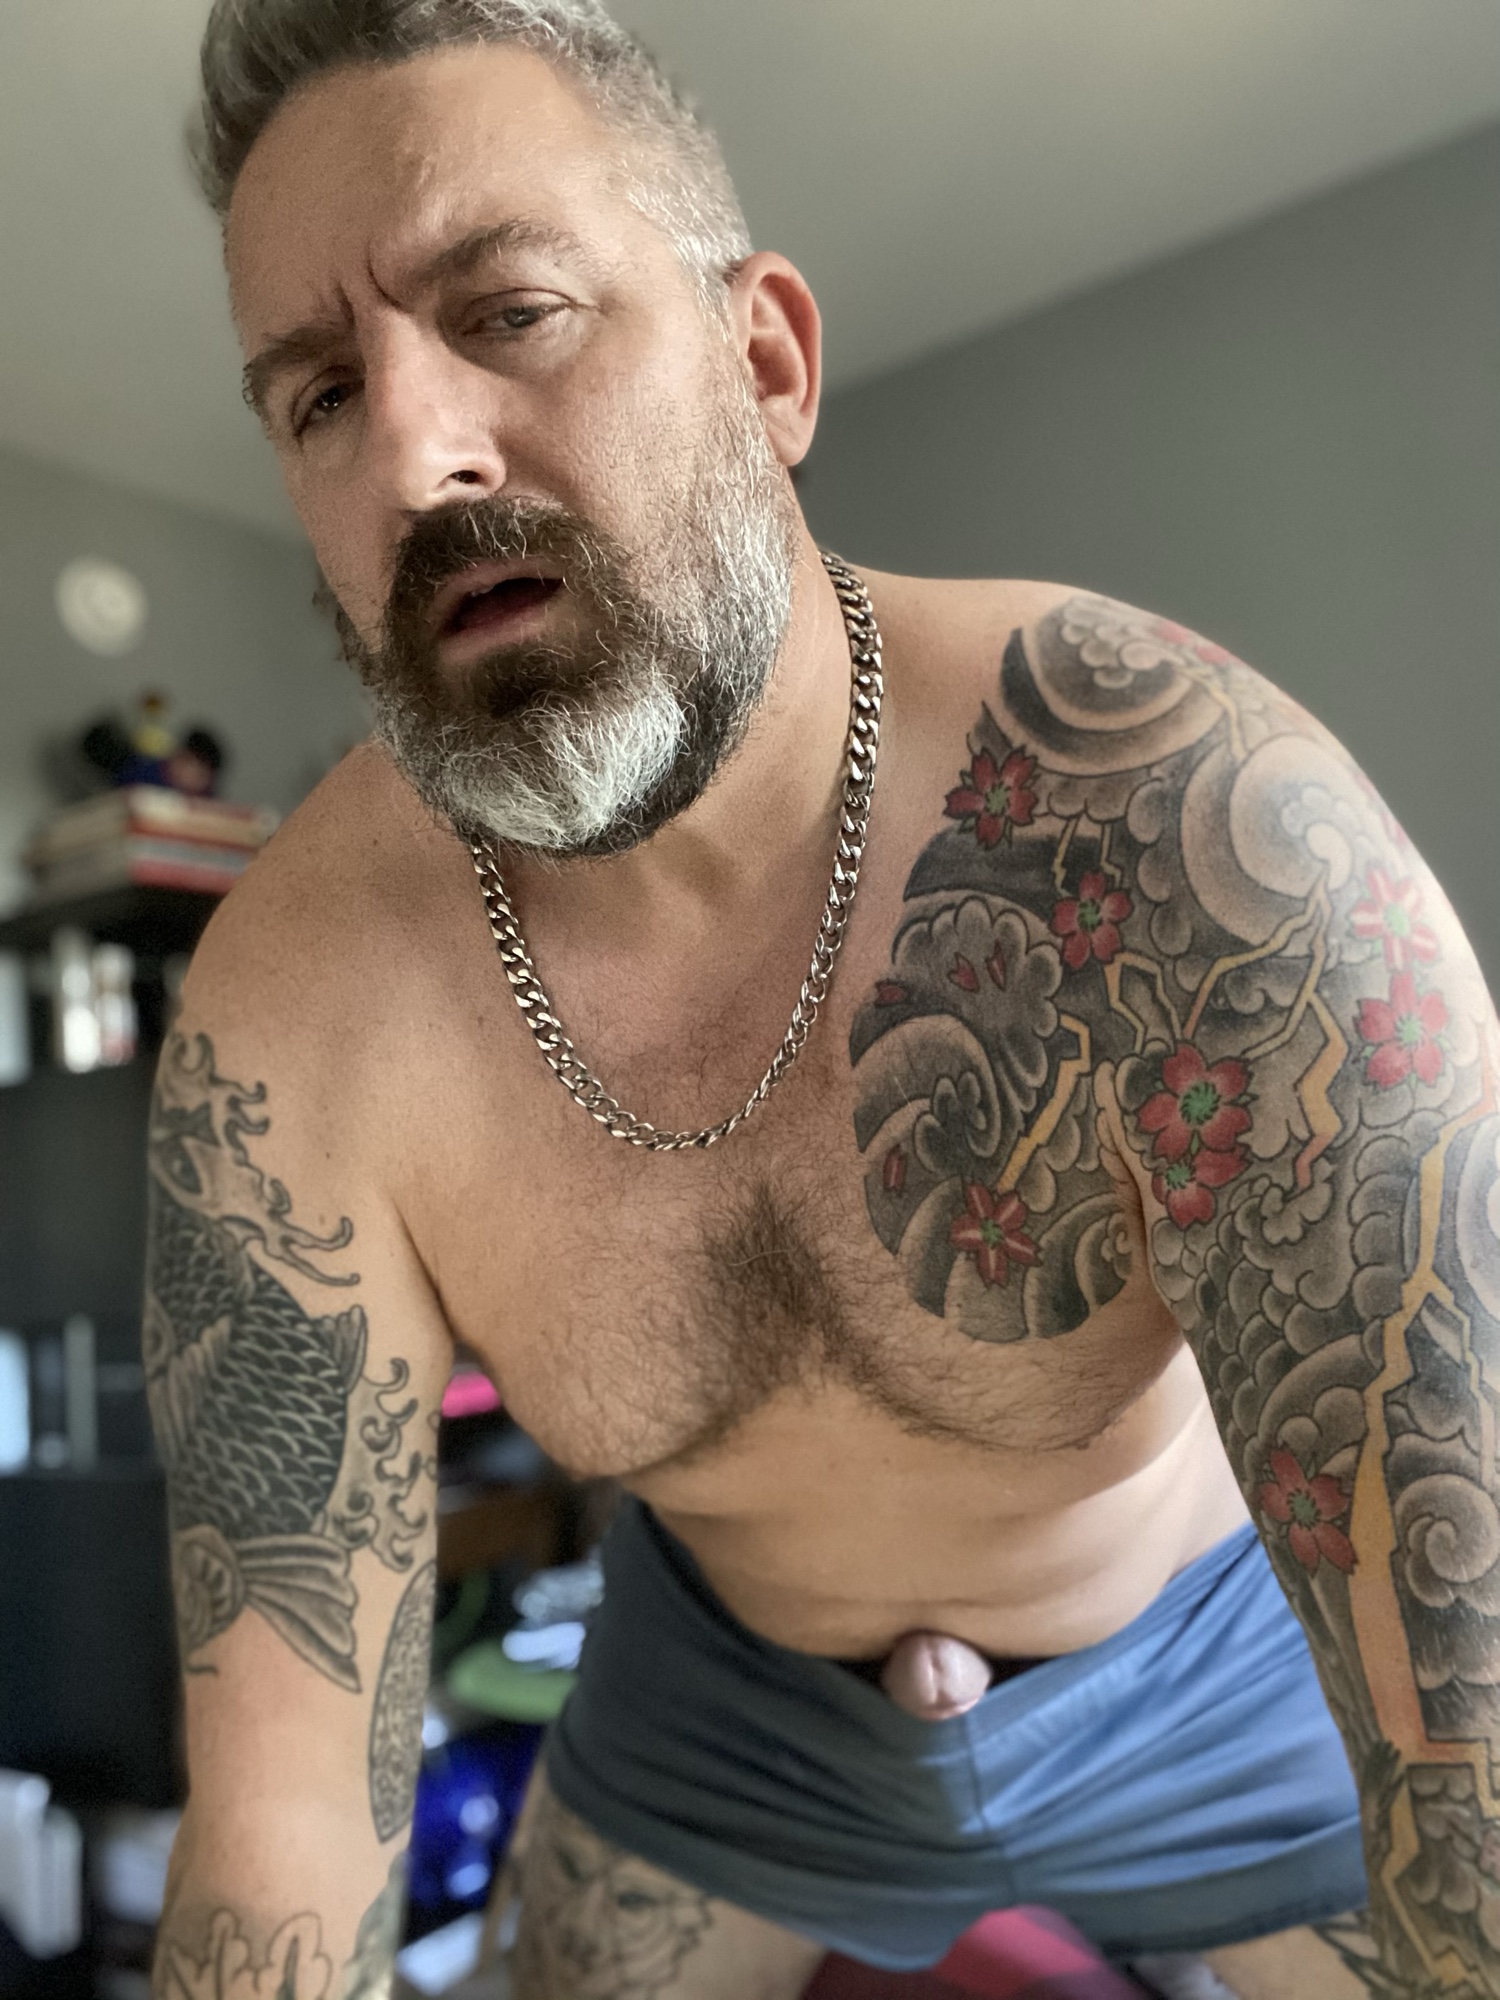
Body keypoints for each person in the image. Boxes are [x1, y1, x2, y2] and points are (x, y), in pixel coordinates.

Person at [143, 2, 1500, 1995]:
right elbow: (280, 1833)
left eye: (509, 310)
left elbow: (1472, 1739)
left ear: (766, 361)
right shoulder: (300, 1011)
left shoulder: (1179, 827)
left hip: (1208, 1675)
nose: (419, 455)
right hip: (724, 1713)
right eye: (322, 395)